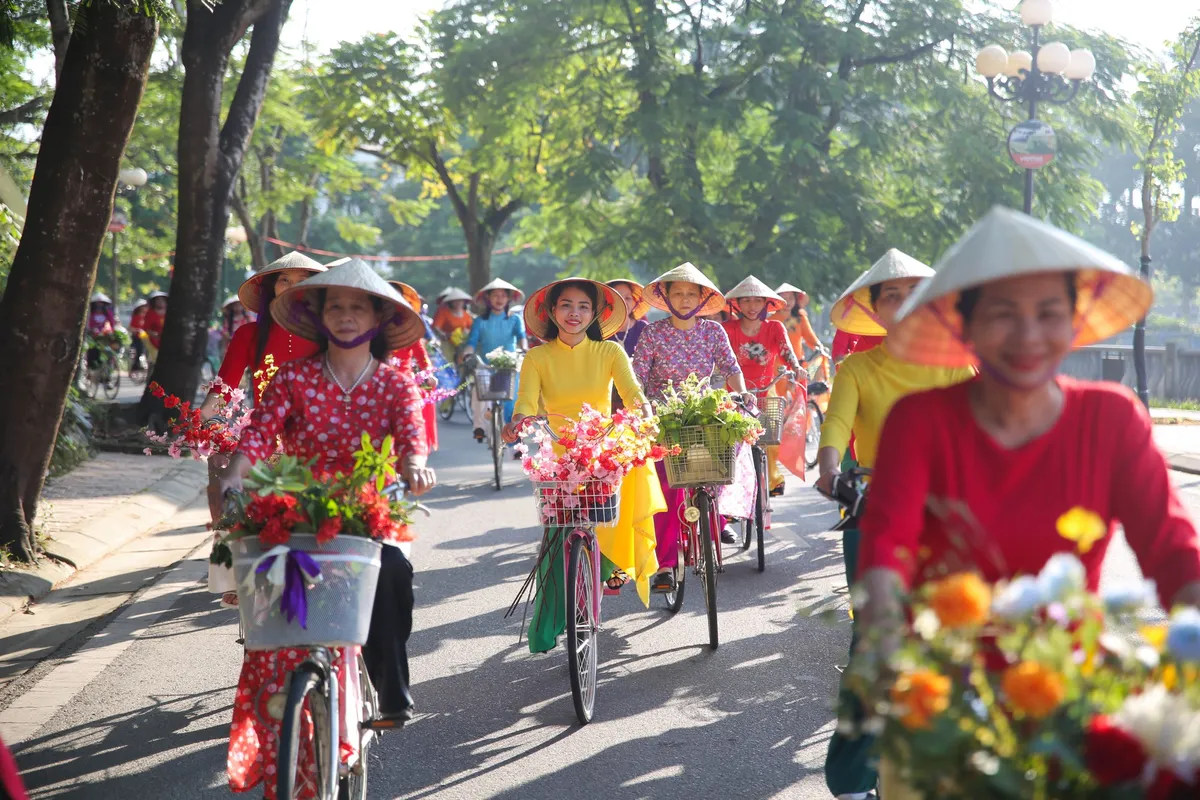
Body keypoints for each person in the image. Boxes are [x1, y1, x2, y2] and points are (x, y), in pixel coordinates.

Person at [853, 207, 1200, 799]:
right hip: (943, 700)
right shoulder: (922, 421)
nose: (1029, 337)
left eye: (1049, 314)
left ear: (1075, 322)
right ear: (964, 328)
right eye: (1002, 316)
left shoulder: (1112, 419)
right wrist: (886, 650)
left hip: (1066, 692)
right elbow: (887, 546)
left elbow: (1173, 553)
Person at [218, 258, 435, 800]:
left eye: (357, 306)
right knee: (266, 590)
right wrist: (234, 479)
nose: (344, 316)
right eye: (334, 306)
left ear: (379, 319)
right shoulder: (292, 378)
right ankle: (279, 707)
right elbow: (259, 437)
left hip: (369, 510)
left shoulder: (394, 382)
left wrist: (415, 468)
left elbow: (413, 443)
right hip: (298, 507)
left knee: (393, 575)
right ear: (317, 318)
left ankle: (391, 690)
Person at [814, 249, 975, 800]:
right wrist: (829, 468)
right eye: (891, 296)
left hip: (946, 515)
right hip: (874, 510)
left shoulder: (955, 361)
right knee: (876, 641)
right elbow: (836, 425)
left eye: (915, 295)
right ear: (873, 310)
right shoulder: (857, 368)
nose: (904, 306)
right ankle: (854, 779)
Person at [501, 278, 666, 648]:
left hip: (601, 449)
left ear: (596, 314)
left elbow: (633, 394)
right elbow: (526, 403)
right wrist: (517, 423)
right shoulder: (538, 357)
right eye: (566, 305)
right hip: (559, 453)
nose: (574, 313)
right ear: (552, 312)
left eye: (583, 307)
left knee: (635, 468)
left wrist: (645, 415)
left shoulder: (610, 352)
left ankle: (611, 563)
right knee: (558, 533)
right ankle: (581, 586)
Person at [199, 252, 327, 609]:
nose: (292, 287)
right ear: (270, 289)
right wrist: (204, 423)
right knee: (224, 470)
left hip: (315, 438)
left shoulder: (331, 336)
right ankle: (237, 573)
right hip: (264, 435)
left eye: (302, 279)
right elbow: (221, 394)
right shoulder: (249, 335)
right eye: (284, 280)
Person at [631, 262, 756, 588]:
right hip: (663, 418)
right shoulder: (653, 333)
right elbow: (637, 378)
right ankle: (666, 565)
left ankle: (715, 517)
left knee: (718, 465)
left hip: (702, 413)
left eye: (691, 294)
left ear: (701, 299)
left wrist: (741, 394)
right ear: (666, 297)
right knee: (668, 488)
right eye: (679, 293)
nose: (685, 299)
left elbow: (731, 369)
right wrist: (639, 411)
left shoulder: (714, 331)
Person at [721, 277, 803, 497]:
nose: (752, 306)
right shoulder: (727, 329)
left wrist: (796, 367)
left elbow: (787, 352)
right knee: (733, 447)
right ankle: (731, 496)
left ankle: (772, 480)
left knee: (771, 442)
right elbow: (719, 358)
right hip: (736, 395)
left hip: (766, 392)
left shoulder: (775, 328)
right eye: (746, 300)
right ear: (737, 303)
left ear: (766, 303)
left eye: (757, 300)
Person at [462, 278, 527, 444]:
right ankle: (480, 427)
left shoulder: (515, 320)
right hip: (487, 365)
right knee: (479, 388)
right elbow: (471, 343)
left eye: (503, 295)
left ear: (508, 299)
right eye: (495, 295)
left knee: (513, 401)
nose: (499, 299)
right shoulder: (480, 321)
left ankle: (515, 437)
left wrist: (525, 349)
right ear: (488, 299)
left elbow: (522, 338)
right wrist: (467, 355)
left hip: (510, 365)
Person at [390, 280, 440, 452]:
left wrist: (428, 374)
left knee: (413, 409)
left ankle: (414, 451)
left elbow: (421, 355)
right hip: (378, 378)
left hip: (405, 381)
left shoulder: (409, 325)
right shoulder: (373, 325)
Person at [606, 279, 652, 411]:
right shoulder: (598, 332)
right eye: (618, 298)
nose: (624, 302)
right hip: (608, 400)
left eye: (628, 298)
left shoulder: (644, 329)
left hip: (641, 395)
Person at [142, 291, 167, 361]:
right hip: (154, 340)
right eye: (158, 300)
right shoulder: (150, 313)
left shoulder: (170, 312)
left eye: (162, 300)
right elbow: (146, 328)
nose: (160, 302)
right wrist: (154, 334)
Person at [128, 298, 149, 369]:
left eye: (145, 306)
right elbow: (130, 328)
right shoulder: (136, 317)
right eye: (143, 306)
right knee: (139, 350)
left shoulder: (148, 317)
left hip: (147, 338)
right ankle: (136, 365)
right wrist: (137, 330)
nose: (144, 308)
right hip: (137, 337)